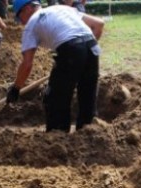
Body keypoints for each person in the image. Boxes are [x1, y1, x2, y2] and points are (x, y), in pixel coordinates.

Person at [7, 0, 104, 133]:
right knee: (88, 95)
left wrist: (16, 88)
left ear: (28, 8)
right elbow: (98, 25)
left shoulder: (32, 23)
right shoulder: (61, 9)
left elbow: (27, 64)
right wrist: (82, 55)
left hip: (70, 49)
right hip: (92, 48)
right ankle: (88, 135)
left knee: (54, 98)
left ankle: (57, 138)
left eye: (19, 16)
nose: (21, 22)